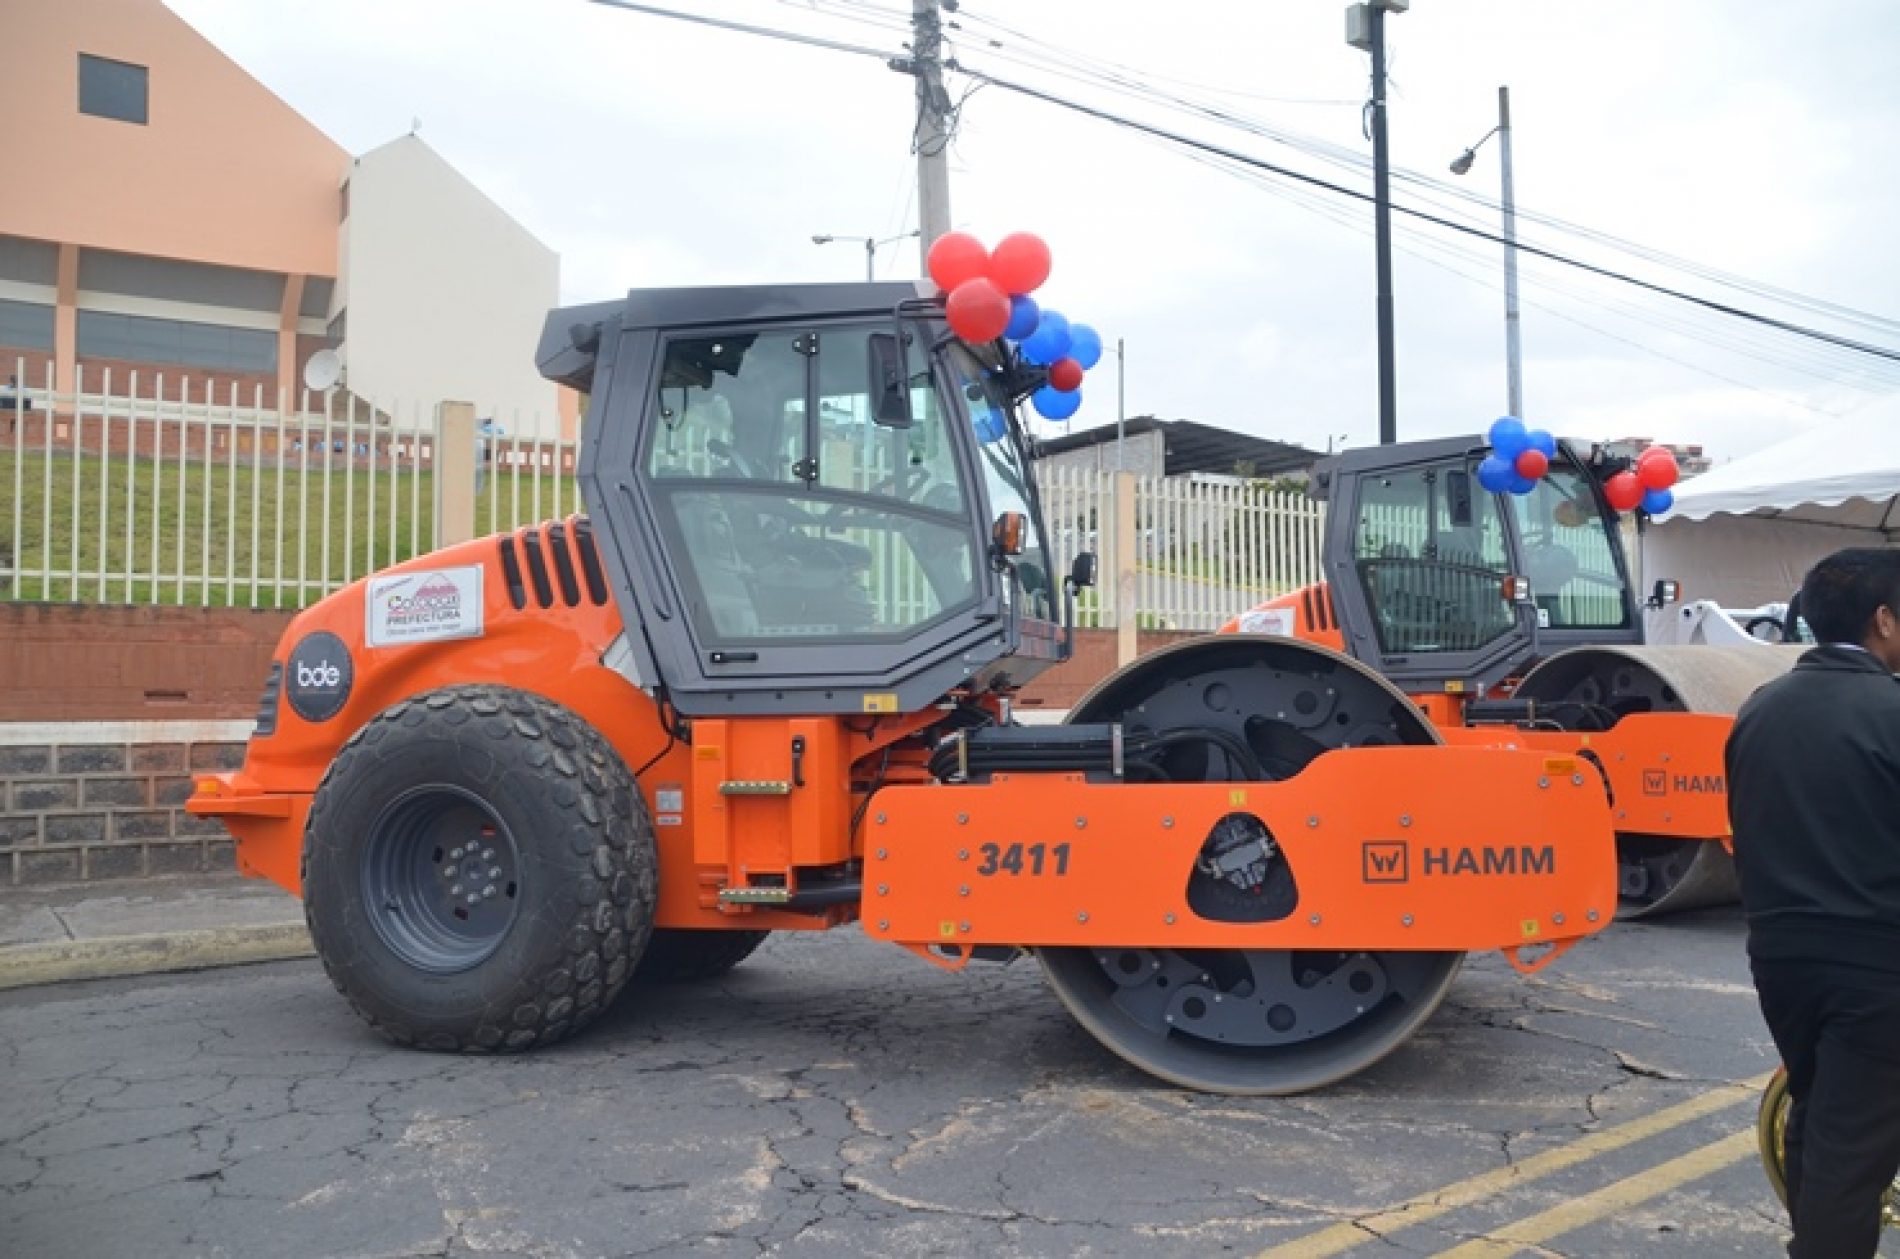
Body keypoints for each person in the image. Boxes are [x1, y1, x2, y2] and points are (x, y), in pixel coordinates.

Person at [1726, 546, 1900, 1258]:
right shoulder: (1891, 709)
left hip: (1780, 957)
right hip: (1877, 964)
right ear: (1884, 620)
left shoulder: (1760, 709)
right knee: (1850, 1147)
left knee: (1819, 1112)